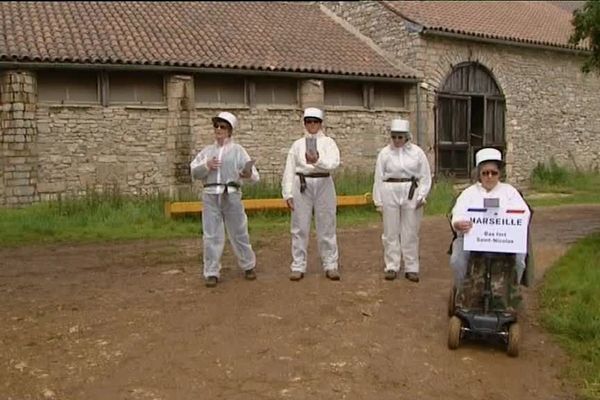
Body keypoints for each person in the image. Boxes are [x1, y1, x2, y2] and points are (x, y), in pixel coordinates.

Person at [190, 111, 259, 288]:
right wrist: (207, 166)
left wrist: (247, 173)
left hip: (232, 194)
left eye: (223, 127)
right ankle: (211, 271)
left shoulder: (238, 151)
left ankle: (248, 265)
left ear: (230, 130)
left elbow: (254, 176)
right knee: (211, 234)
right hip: (211, 194)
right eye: (216, 126)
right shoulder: (207, 152)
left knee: (239, 231)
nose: (218, 129)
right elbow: (194, 171)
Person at [449, 148, 531, 288]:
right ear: (479, 174)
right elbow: (457, 213)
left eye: (494, 173)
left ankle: (512, 291)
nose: (489, 177)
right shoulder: (469, 193)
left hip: (504, 240)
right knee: (457, 259)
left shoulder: (510, 192)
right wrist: (458, 224)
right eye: (485, 173)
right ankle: (462, 291)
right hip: (472, 239)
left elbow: (524, 214)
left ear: (499, 174)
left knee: (520, 258)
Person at [281, 107, 341, 281]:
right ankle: (298, 264)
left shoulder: (329, 143)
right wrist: (287, 193)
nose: (312, 125)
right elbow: (289, 169)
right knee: (300, 225)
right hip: (302, 183)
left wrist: (318, 160)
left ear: (320, 123)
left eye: (315, 121)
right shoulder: (297, 144)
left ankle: (330, 263)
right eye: (308, 121)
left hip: (323, 182)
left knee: (327, 224)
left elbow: (334, 163)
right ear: (304, 123)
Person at [372, 118, 432, 283]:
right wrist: (378, 200)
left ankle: (412, 267)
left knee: (410, 231)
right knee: (390, 230)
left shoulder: (417, 153)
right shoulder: (385, 153)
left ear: (407, 137)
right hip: (390, 189)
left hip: (410, 190)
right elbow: (378, 177)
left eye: (400, 137)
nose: (397, 140)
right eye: (394, 137)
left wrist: (422, 195)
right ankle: (392, 265)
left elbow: (425, 176)